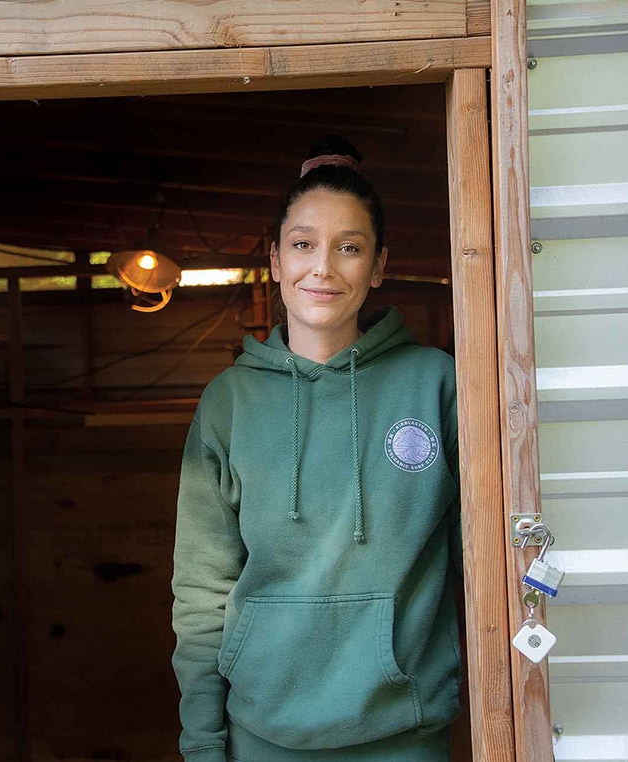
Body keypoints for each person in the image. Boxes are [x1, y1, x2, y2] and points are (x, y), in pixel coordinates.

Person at [171, 136, 462, 762]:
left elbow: (483, 565)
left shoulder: (436, 384)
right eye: (303, 244)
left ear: (379, 265)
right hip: (264, 733)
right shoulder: (228, 402)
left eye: (349, 247)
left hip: (404, 733)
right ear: (275, 260)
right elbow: (201, 592)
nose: (323, 268)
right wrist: (201, 742)